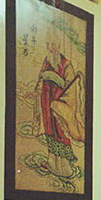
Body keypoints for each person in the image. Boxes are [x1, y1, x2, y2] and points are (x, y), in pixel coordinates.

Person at [31, 31, 84, 178]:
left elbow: (72, 92)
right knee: (50, 132)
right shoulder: (47, 62)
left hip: (59, 107)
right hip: (46, 102)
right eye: (48, 44)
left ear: (59, 46)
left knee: (60, 133)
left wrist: (60, 104)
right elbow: (41, 79)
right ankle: (52, 163)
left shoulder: (67, 66)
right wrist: (37, 91)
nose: (50, 47)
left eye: (53, 44)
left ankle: (65, 169)